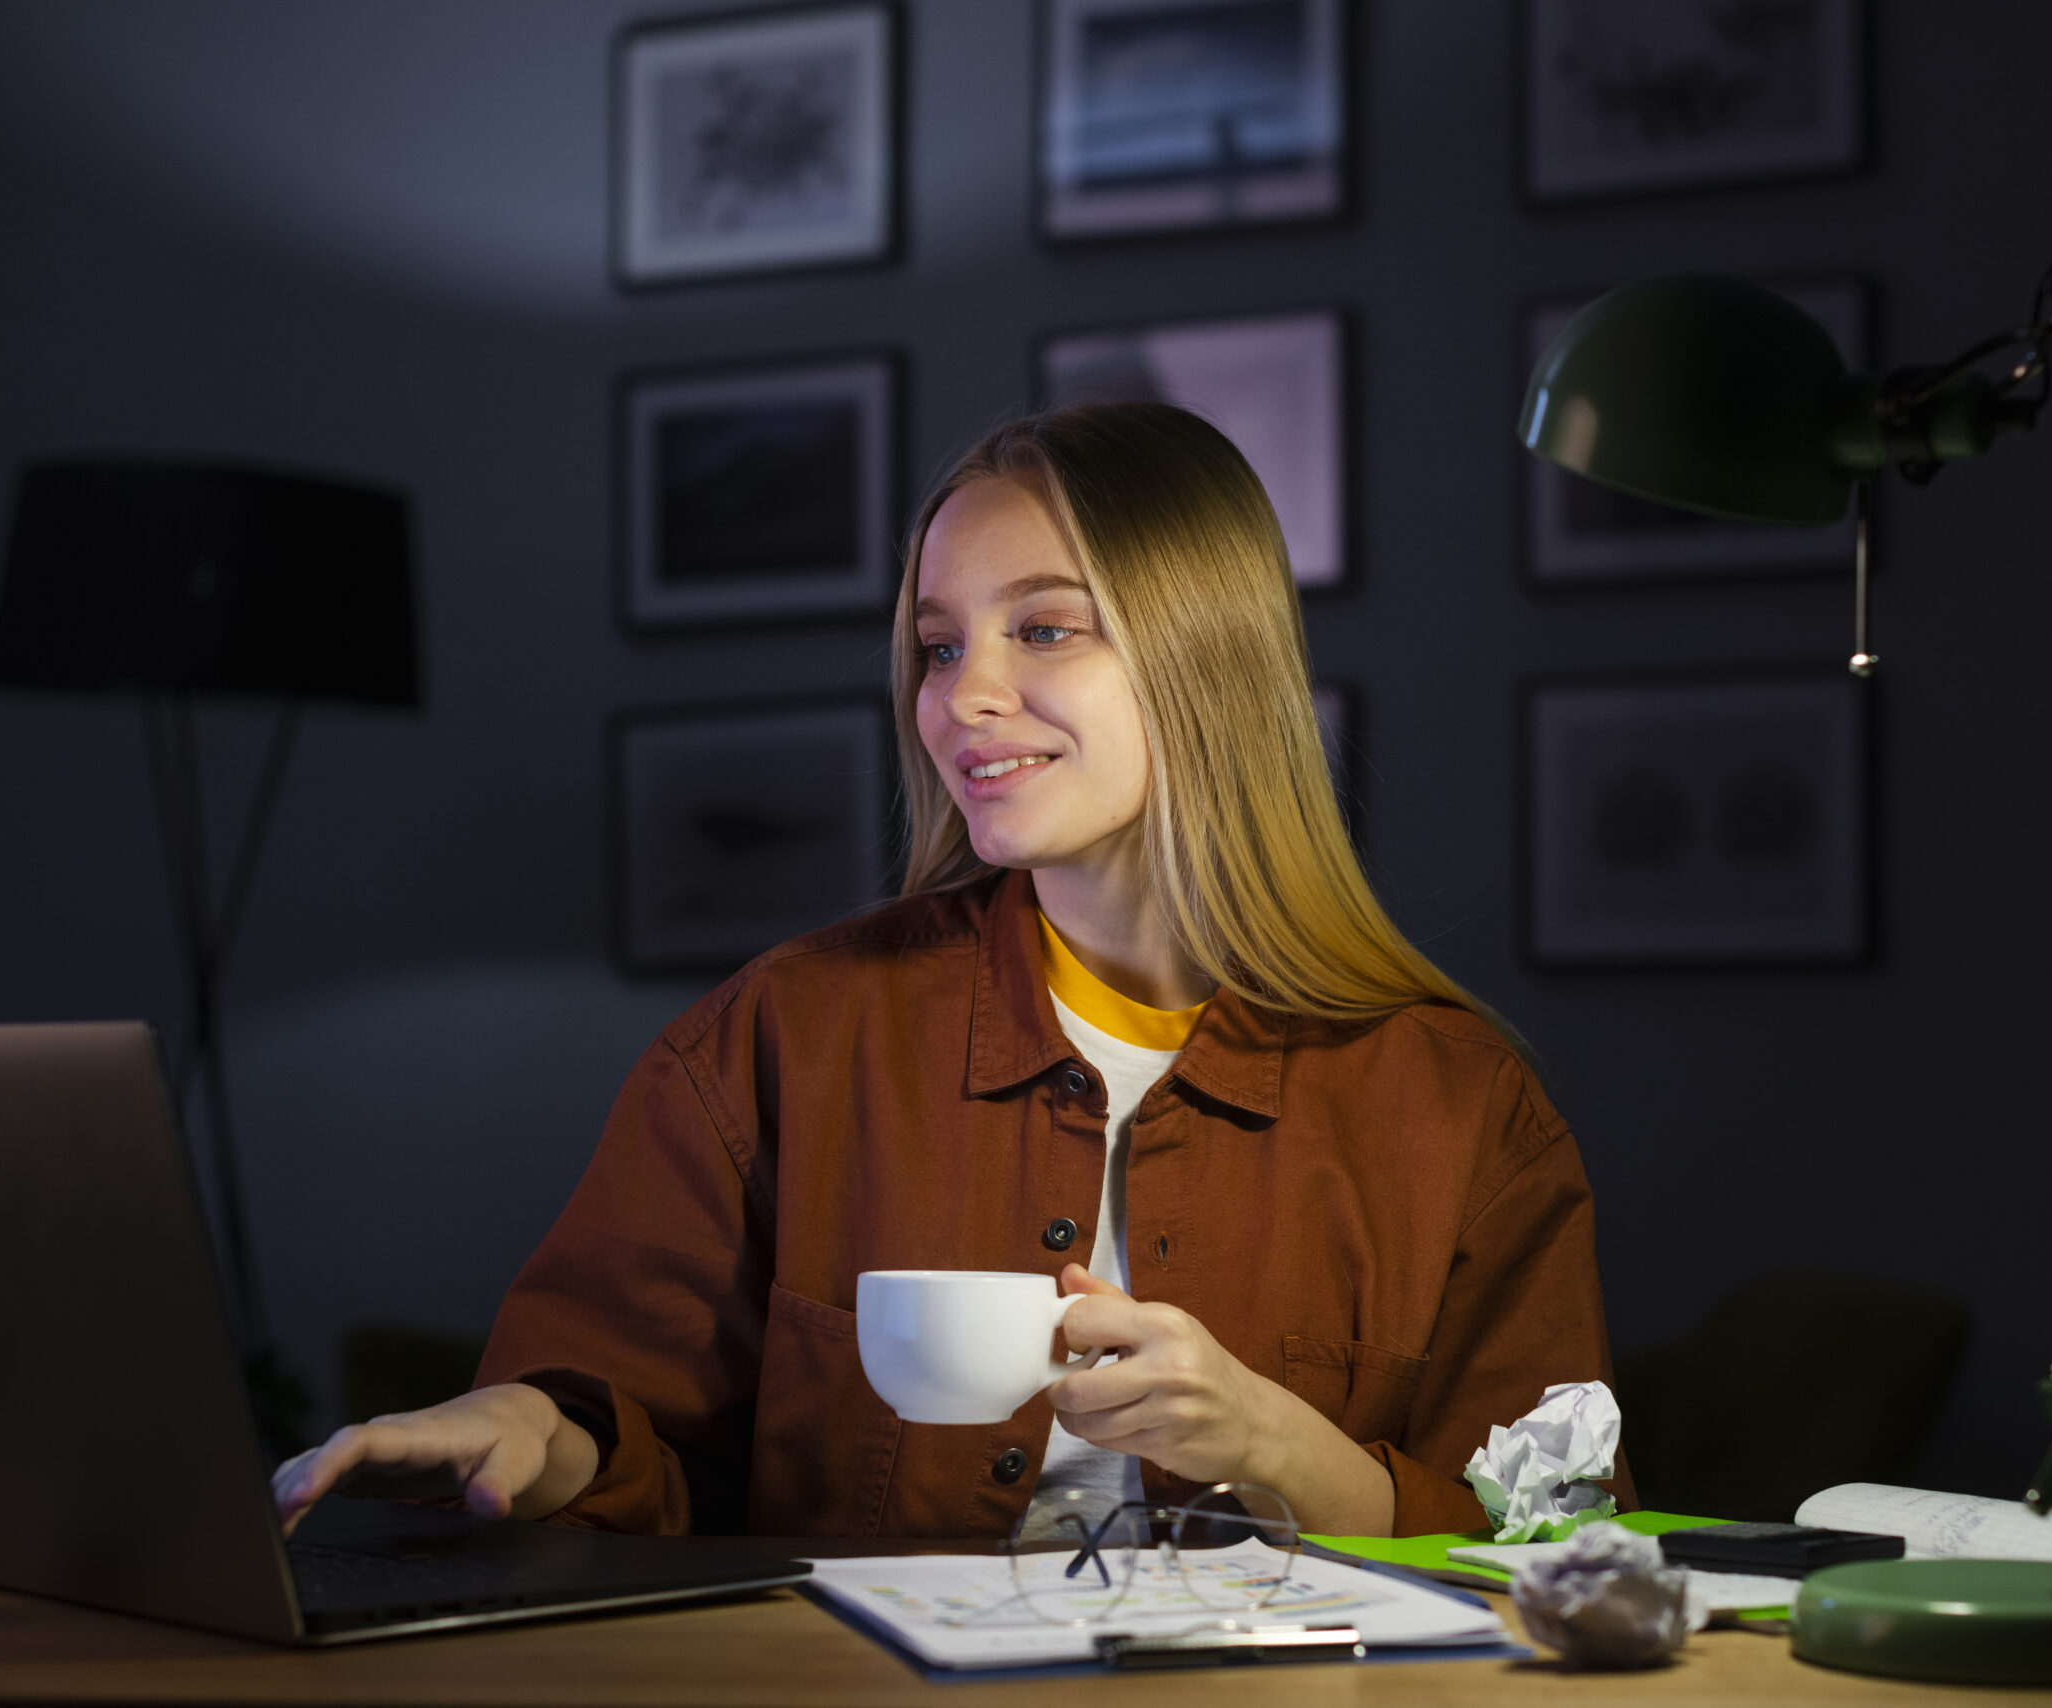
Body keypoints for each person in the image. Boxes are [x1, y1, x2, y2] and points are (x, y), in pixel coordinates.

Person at [271, 402, 1629, 1541]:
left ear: (1207, 659)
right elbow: (611, 1420)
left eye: (1041, 629)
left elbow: (1563, 1547)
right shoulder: (784, 1039)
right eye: (938, 645)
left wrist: (1280, 1445)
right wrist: (535, 1427)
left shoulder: (1462, 1108)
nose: (958, 697)